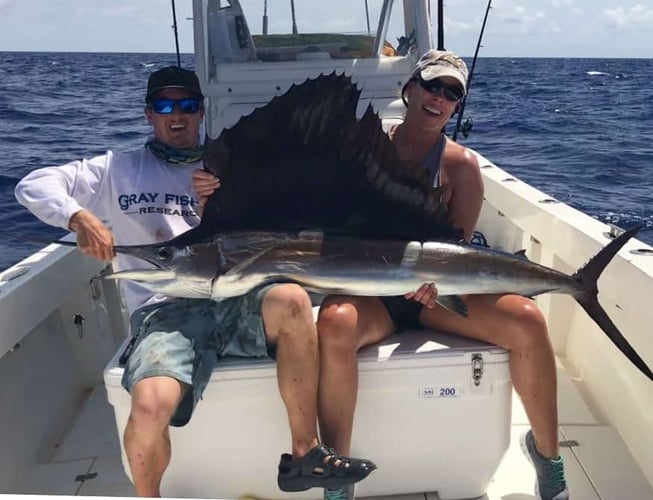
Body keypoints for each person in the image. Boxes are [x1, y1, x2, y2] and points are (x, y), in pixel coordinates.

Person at [15, 65, 375, 497]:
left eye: (187, 105)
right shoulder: (118, 169)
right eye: (165, 106)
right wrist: (79, 216)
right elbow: (34, 184)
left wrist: (220, 203)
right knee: (148, 407)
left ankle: (305, 455)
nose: (177, 115)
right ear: (149, 114)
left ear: (201, 112)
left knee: (293, 300)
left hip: (236, 297)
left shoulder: (232, 168)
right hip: (165, 311)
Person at [315, 50, 569, 500]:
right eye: (432, 85)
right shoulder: (362, 152)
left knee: (529, 321)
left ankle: (548, 458)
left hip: (436, 297)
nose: (439, 97)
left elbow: (457, 252)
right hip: (374, 294)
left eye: (452, 93)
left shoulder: (461, 167)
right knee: (334, 322)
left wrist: (437, 286)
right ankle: (337, 474)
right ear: (409, 88)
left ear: (456, 106)